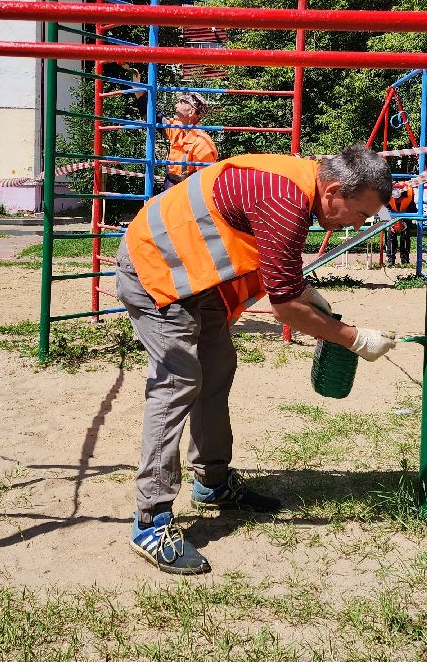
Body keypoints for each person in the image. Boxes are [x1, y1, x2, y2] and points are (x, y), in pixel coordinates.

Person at [115, 144, 399, 574]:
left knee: (216, 370)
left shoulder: (301, 190)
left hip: (195, 277)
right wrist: (354, 339)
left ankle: (212, 482)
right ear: (335, 190)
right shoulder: (286, 199)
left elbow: (282, 277)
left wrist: (305, 292)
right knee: (178, 381)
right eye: (360, 214)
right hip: (156, 269)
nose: (358, 225)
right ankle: (150, 520)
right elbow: (284, 307)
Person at [162, 93, 218, 188]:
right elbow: (154, 118)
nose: (176, 105)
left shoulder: (202, 143)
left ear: (191, 112)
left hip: (185, 193)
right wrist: (136, 87)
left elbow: (205, 181)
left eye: (181, 102)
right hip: (169, 188)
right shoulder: (177, 129)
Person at [385, 185, 416, 267]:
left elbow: (414, 211)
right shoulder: (387, 197)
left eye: (398, 198)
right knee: (390, 234)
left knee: (405, 236)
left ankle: (405, 260)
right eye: (394, 197)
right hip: (392, 218)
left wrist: (405, 222)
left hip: (405, 217)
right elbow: (383, 211)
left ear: (402, 195)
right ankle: (390, 259)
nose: (396, 200)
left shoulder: (409, 198)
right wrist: (390, 223)